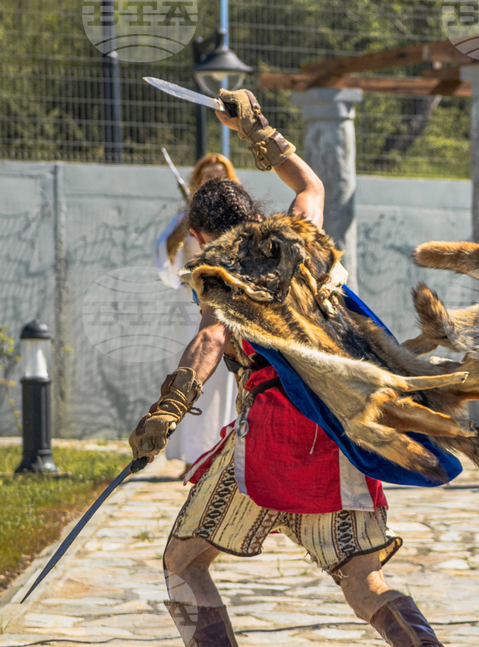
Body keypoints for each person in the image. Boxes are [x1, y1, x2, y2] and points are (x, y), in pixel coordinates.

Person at [130, 89, 444, 647]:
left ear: (200, 237)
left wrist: (168, 408)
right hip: (341, 421)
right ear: (253, 212)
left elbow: (210, 336)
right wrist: (256, 127)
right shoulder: (301, 232)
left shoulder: (220, 272)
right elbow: (310, 185)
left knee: (184, 562)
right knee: (364, 583)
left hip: (272, 438)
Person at [156, 154, 240, 470]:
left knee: (226, 383)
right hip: (191, 307)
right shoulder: (183, 216)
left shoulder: (238, 217)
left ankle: (225, 454)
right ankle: (196, 455)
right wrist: (188, 221)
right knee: (193, 377)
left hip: (227, 308)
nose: (213, 181)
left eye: (220, 176)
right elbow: (163, 255)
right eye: (207, 177)